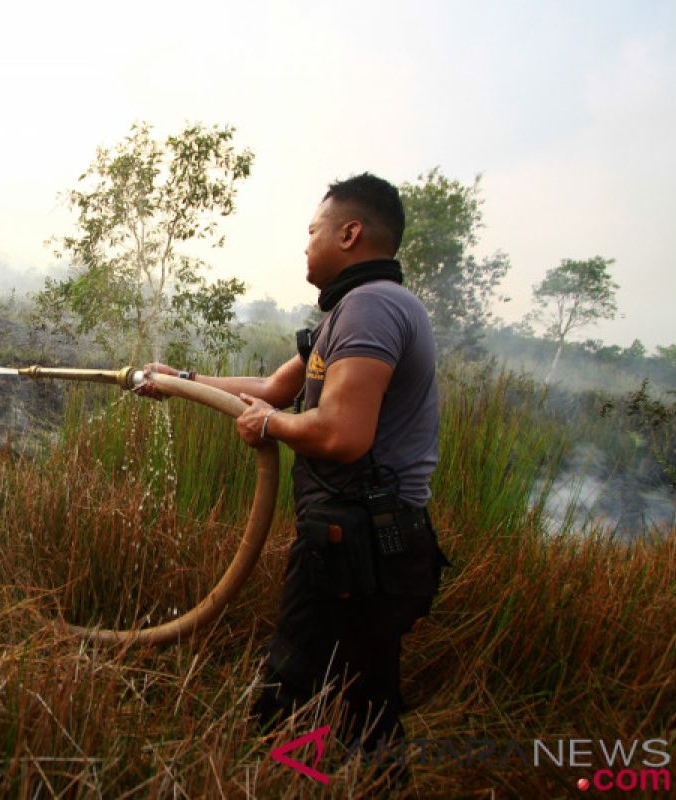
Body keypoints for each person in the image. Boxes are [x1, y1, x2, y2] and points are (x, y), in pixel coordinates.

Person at [137, 173, 446, 748]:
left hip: (361, 543)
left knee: (298, 689)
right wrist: (179, 381)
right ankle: (361, 778)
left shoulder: (372, 307)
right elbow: (274, 387)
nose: (305, 244)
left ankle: (277, 773)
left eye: (314, 231)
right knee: (362, 699)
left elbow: (342, 435)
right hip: (359, 541)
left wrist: (268, 426)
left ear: (350, 233)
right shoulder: (351, 311)